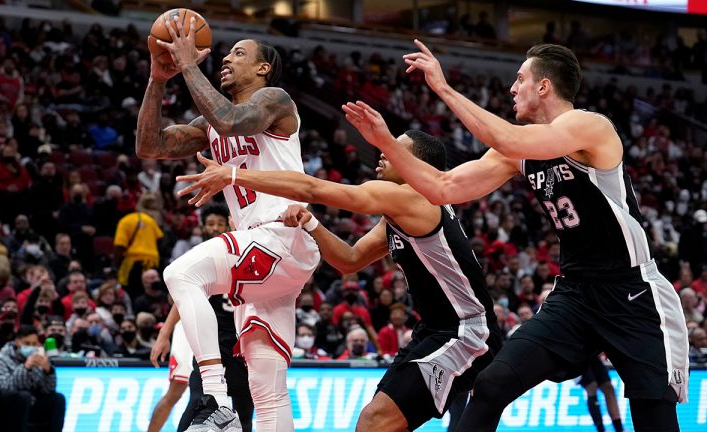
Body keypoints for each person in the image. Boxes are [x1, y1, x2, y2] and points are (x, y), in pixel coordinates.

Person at [342, 40, 687, 432]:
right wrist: (386, 142)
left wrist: (443, 88)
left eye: (520, 79)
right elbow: (442, 187)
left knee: (654, 419)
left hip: (633, 293)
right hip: (575, 295)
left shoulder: (589, 126)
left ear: (543, 86)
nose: (512, 88)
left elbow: (510, 139)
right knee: (492, 383)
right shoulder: (517, 151)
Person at [176, 129, 501, 431]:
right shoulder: (399, 213)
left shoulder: (414, 198)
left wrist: (233, 175)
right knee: (376, 423)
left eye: (394, 150)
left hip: (466, 331)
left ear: (417, 166)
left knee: (374, 422)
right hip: (435, 330)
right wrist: (311, 224)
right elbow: (350, 260)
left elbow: (313, 189)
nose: (383, 153)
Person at [137, 13, 320, 431]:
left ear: (263, 68)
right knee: (267, 388)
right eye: (227, 54)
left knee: (181, 273)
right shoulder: (210, 125)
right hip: (264, 256)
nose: (225, 59)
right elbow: (150, 146)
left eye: (238, 54)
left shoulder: (275, 100)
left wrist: (188, 64)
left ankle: (216, 400)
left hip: (281, 234)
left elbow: (232, 121)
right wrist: (158, 79)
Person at [149, 204, 253, 432]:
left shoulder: (245, 248)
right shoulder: (199, 254)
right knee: (187, 395)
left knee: (243, 409)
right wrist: (164, 333)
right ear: (203, 227)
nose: (215, 228)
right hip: (202, 334)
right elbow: (180, 298)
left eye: (220, 224)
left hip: (239, 339)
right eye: (210, 224)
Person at [0, 325, 66, 432]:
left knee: (58, 399)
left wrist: (48, 372)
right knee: (24, 396)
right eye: (27, 343)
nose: (31, 347)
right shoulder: (0, 359)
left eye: (34, 344)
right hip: (8, 405)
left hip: (32, 403)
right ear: (17, 342)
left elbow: (47, 390)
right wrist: (25, 368)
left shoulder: (38, 357)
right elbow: (6, 388)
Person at [577, 357, 626, 432]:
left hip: (591, 355)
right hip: (575, 356)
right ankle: (601, 429)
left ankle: (619, 429)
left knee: (608, 387)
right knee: (591, 386)